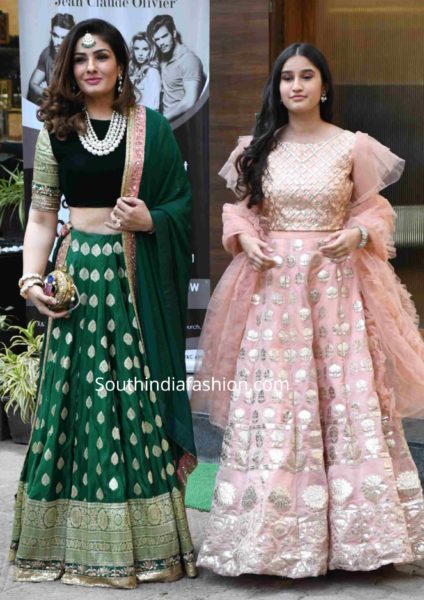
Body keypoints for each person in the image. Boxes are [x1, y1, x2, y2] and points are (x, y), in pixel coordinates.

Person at [192, 43, 424, 578]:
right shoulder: (256, 149)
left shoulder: (353, 147)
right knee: (278, 403)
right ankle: (269, 541)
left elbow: (375, 208)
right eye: (286, 78)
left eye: (306, 76)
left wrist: (358, 232)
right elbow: (242, 212)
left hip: (336, 289)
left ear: (324, 86)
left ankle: (361, 541)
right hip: (274, 293)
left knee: (343, 399)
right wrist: (245, 239)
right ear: (276, 88)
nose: (295, 86)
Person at [9, 18, 197, 588]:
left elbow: (180, 203)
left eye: (103, 56)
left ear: (121, 66)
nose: (91, 66)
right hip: (78, 283)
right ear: (70, 68)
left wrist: (150, 219)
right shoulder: (55, 133)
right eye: (82, 57)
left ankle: (146, 546)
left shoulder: (151, 129)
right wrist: (30, 280)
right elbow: (43, 215)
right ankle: (66, 544)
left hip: (130, 280)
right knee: (76, 404)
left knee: (133, 400)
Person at [147, 14, 204, 121]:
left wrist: (164, 119)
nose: (161, 43)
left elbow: (189, 101)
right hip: (165, 119)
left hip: (181, 122)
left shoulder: (188, 60)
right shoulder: (163, 55)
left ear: (173, 33)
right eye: (157, 39)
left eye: (164, 36)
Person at [27, 13, 76, 104]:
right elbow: (33, 84)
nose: (58, 42)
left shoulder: (79, 57)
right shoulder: (47, 53)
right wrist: (49, 96)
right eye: (55, 36)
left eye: (63, 38)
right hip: (56, 112)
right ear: (51, 33)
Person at [129, 32, 161, 111]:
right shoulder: (135, 71)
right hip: (132, 117)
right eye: (136, 48)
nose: (140, 53)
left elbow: (154, 106)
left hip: (146, 119)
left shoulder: (152, 72)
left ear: (151, 51)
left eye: (145, 49)